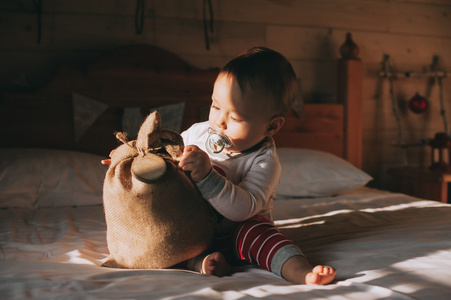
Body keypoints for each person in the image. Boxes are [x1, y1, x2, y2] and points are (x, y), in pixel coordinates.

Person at [178, 46, 336, 285]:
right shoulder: (198, 133)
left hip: (240, 235)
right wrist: (135, 158)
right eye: (216, 106)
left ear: (271, 127)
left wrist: (207, 176)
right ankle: (202, 262)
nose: (219, 122)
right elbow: (167, 156)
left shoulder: (264, 160)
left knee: (260, 234)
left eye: (235, 118)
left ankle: (301, 271)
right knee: (166, 232)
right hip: (196, 229)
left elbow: (244, 209)